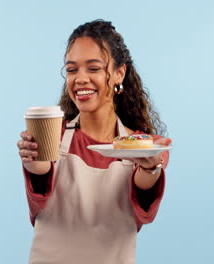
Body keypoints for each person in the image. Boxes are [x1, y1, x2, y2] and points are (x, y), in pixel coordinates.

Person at [17, 19, 172, 263]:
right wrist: (32, 161)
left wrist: (150, 166)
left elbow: (143, 210)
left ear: (119, 73)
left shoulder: (145, 145)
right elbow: (40, 180)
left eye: (93, 68)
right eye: (71, 70)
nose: (80, 79)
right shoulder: (53, 136)